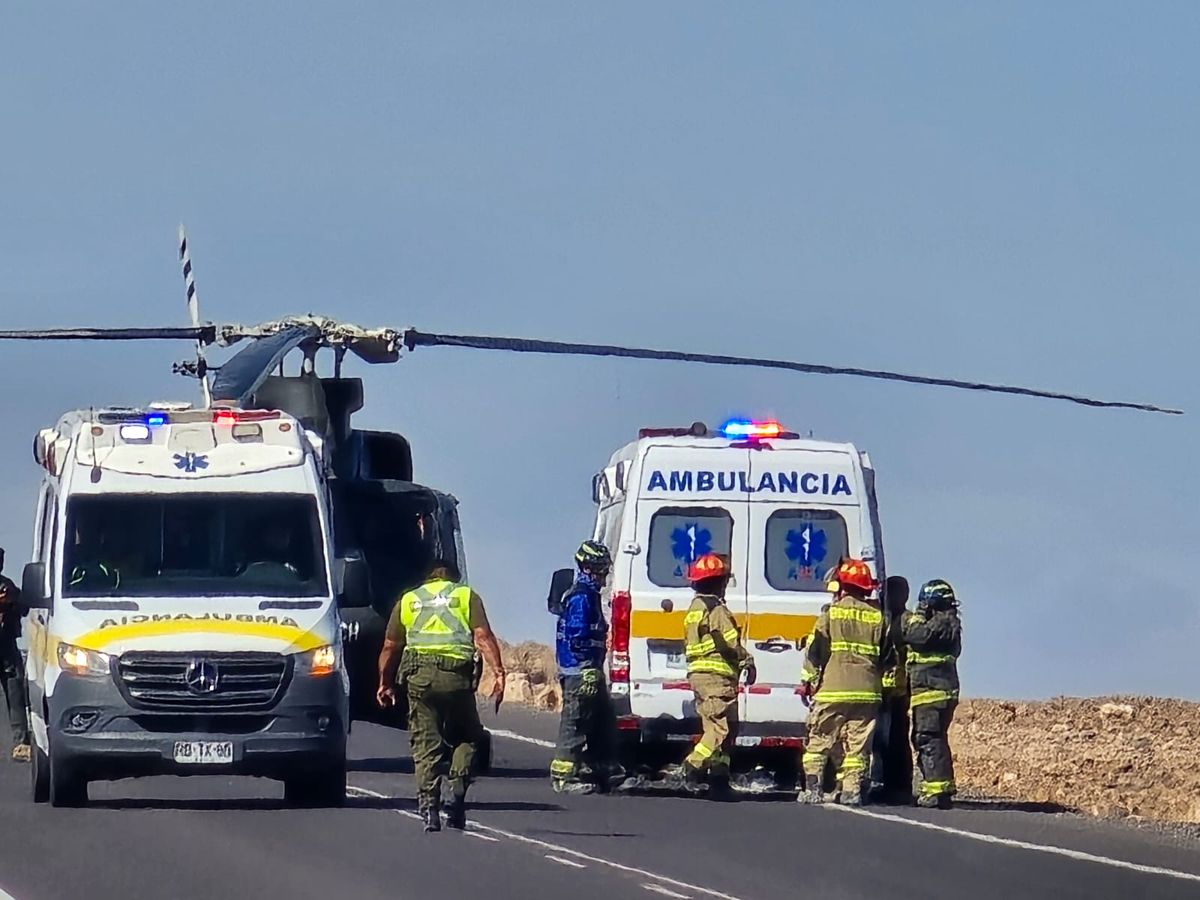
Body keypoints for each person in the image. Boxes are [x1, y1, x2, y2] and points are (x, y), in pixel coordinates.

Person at [377, 558, 506, 832]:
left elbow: (390, 646)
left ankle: (429, 809)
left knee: (426, 744)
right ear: (453, 577)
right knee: (469, 737)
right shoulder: (465, 596)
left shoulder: (409, 600)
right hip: (456, 679)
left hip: (419, 679)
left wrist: (384, 682)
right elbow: (483, 637)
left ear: (428, 578)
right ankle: (456, 791)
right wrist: (499, 673)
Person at [796, 558, 886, 806]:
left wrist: (808, 680)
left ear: (842, 585)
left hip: (833, 690)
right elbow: (887, 656)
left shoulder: (831, 614)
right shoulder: (878, 617)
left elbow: (815, 651)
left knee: (819, 740)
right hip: (867, 692)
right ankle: (851, 791)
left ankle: (813, 789)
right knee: (857, 746)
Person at [678, 553, 755, 799]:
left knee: (720, 728)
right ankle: (691, 766)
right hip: (717, 677)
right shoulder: (717, 610)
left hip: (699, 676)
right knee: (720, 730)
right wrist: (747, 660)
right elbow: (731, 642)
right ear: (718, 582)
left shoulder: (694, 609)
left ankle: (719, 778)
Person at [550, 540, 623, 795]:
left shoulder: (590, 595)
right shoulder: (581, 597)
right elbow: (577, 636)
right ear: (588, 568)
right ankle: (564, 777)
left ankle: (602, 769)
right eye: (601, 569)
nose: (604, 575)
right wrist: (586, 667)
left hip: (591, 670)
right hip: (579, 672)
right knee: (576, 722)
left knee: (602, 721)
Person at [902, 578, 962, 809]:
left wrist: (917, 615)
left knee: (928, 738)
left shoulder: (940, 624)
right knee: (934, 738)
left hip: (931, 694)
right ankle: (941, 787)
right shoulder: (949, 624)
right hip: (939, 693)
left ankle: (936, 791)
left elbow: (915, 635)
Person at [869, 575, 913, 803]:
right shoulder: (883, 618)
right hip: (882, 689)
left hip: (898, 690)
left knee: (896, 740)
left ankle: (899, 786)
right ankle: (884, 783)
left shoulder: (908, 621)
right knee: (881, 740)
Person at [0, 550, 31, 762]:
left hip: (6, 646)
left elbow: (24, 607)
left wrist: (11, 600)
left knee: (15, 692)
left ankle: (21, 742)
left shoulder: (7, 586)